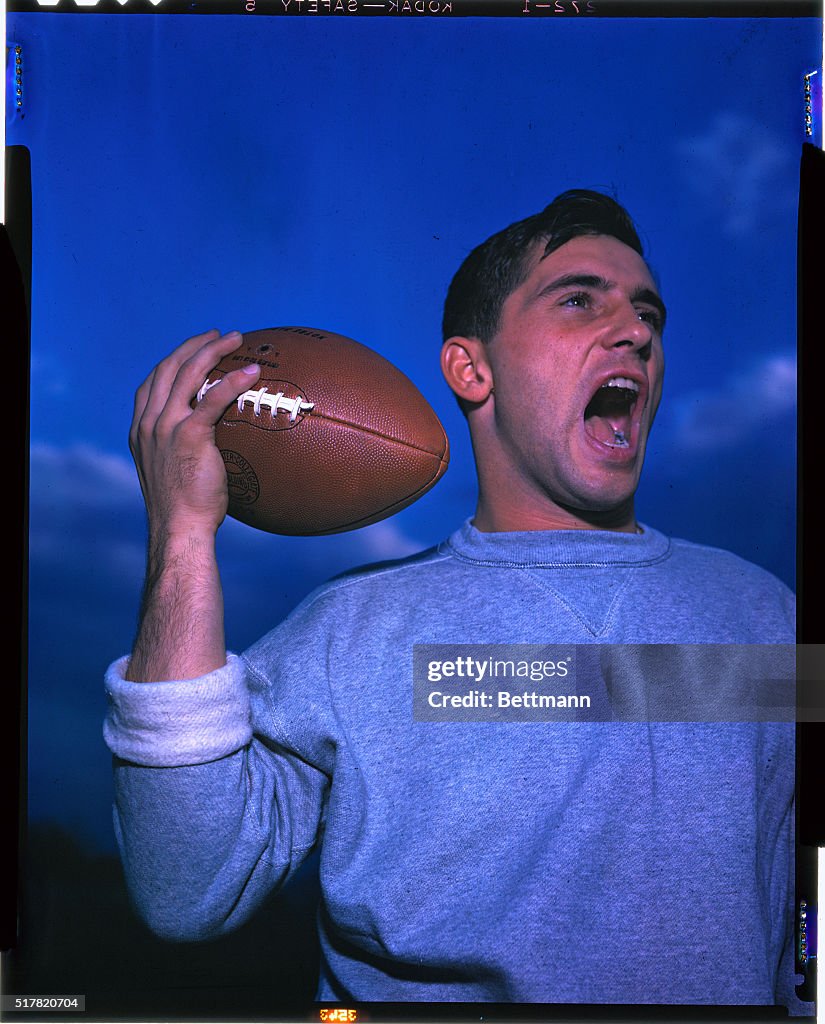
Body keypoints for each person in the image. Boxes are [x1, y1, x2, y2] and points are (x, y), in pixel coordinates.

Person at [103, 190, 805, 1011]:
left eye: (647, 312)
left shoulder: (763, 615)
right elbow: (184, 892)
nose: (635, 332)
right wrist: (182, 534)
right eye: (579, 300)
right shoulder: (353, 629)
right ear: (471, 369)